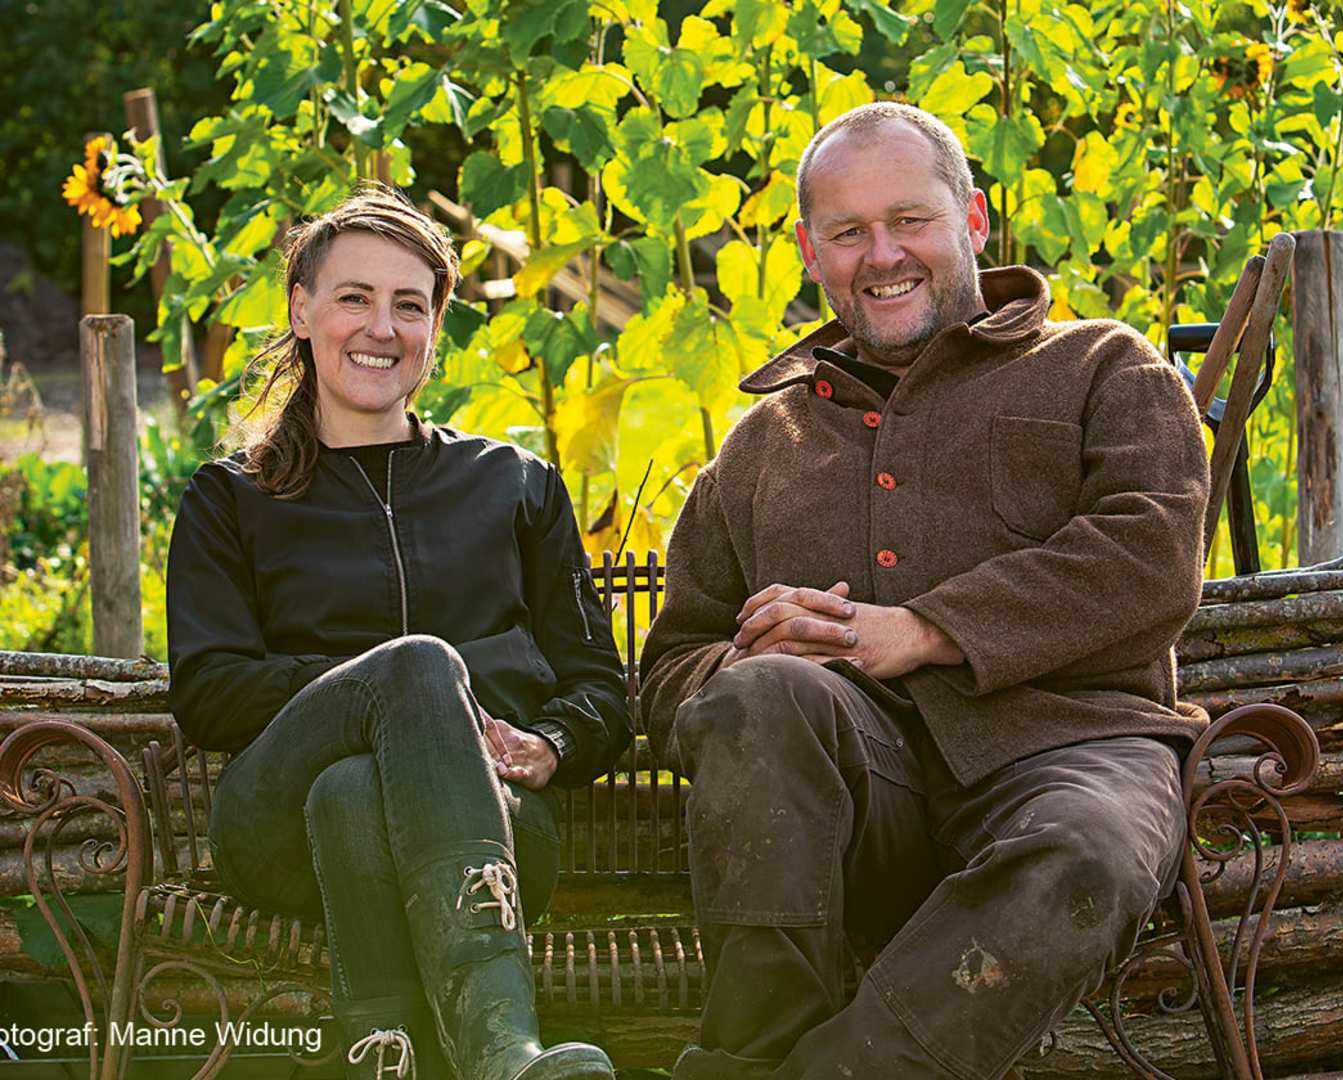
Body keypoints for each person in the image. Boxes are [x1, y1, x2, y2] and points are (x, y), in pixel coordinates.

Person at [638, 102, 1212, 1079]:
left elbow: (1152, 556)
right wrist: (748, 662)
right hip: (861, 810)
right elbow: (668, 670)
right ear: (809, 252)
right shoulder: (759, 446)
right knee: (763, 692)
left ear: (972, 220)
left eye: (910, 219)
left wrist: (921, 629)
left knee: (1083, 851)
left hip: (1074, 756)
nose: (882, 254)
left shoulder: (1103, 366)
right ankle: (747, 1053)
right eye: (848, 232)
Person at [166, 186, 629, 1080]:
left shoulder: (515, 484)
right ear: (301, 312)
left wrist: (551, 743)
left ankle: (388, 1056)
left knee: (355, 793)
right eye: (354, 298)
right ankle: (504, 1050)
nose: (381, 328)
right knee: (411, 675)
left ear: (434, 327)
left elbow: (601, 690)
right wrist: (391, 691)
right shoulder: (231, 498)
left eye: (409, 306)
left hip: (496, 841)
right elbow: (210, 692)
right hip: (277, 835)